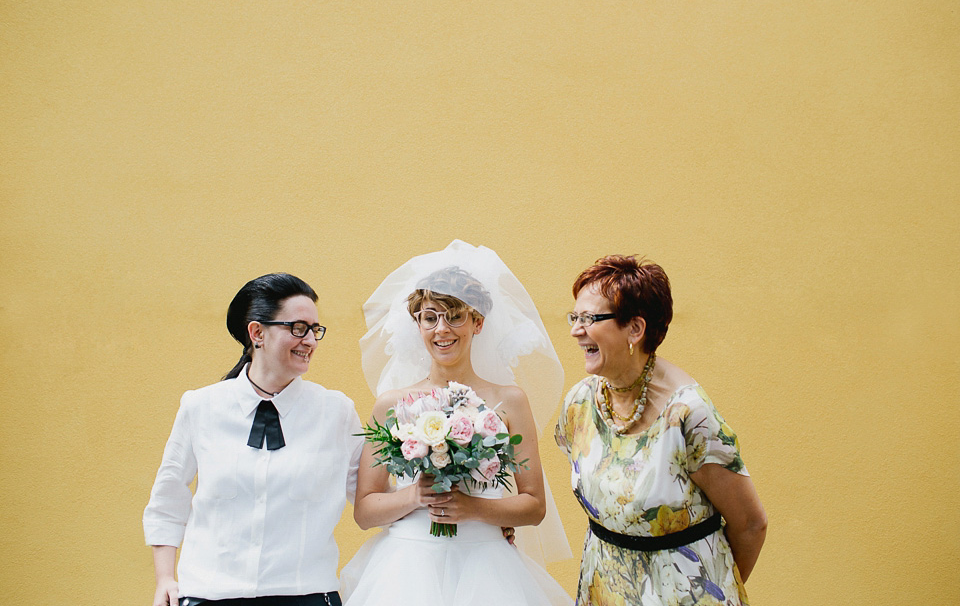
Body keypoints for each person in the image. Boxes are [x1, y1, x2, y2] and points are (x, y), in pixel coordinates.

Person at [341, 240, 572, 606]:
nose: (441, 329)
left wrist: (474, 507)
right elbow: (365, 511)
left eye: (455, 316)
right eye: (430, 317)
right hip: (405, 568)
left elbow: (534, 505)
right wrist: (416, 495)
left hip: (487, 564)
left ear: (478, 323)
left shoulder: (510, 400)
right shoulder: (391, 404)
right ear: (417, 324)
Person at [556, 255, 767, 606]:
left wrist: (705, 592)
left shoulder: (688, 414)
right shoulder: (579, 403)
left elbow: (751, 525)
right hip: (604, 588)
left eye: (590, 318)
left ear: (635, 330)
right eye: (575, 317)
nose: (576, 329)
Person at [143, 273, 363, 606]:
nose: (310, 341)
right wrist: (165, 580)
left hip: (305, 594)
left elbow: (369, 498)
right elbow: (168, 500)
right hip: (210, 593)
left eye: (314, 330)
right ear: (257, 333)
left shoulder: (336, 412)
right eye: (298, 328)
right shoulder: (201, 407)